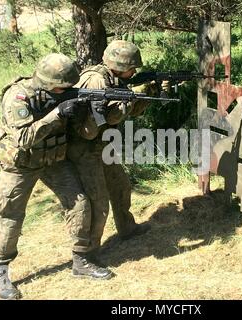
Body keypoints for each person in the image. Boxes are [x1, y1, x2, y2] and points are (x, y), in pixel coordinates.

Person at [0, 53, 114, 300]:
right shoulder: (18, 96)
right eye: (64, 88)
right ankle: (1, 270)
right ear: (49, 84)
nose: (69, 91)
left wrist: (93, 113)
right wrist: (58, 113)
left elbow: (84, 132)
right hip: (20, 164)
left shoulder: (64, 95)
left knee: (79, 204)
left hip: (53, 160)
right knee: (10, 216)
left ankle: (81, 260)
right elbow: (24, 139)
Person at [67, 40, 169, 260]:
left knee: (120, 186)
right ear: (119, 65)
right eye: (132, 68)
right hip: (85, 149)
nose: (134, 72)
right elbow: (91, 126)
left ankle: (127, 228)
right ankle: (87, 255)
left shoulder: (116, 80)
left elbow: (130, 112)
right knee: (98, 202)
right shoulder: (95, 81)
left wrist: (150, 91)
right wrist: (127, 102)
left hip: (102, 146)